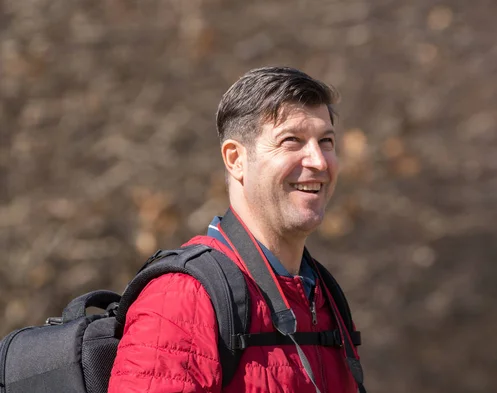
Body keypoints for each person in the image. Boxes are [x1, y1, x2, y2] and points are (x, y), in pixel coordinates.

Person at [108, 66, 362, 393]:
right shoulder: (181, 296)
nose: (319, 161)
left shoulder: (324, 296)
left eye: (325, 141)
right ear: (235, 159)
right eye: (292, 141)